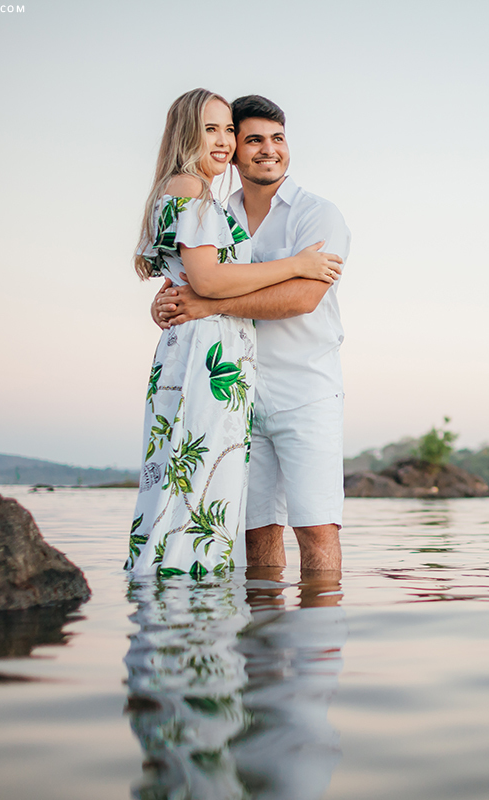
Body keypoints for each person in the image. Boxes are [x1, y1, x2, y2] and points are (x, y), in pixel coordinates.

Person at [127, 89, 343, 578]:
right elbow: (190, 279)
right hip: (230, 384)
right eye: (246, 137)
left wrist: (201, 302)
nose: (267, 148)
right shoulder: (210, 202)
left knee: (315, 526)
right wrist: (176, 300)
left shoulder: (317, 213)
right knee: (244, 522)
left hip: (300, 390)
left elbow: (301, 298)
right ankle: (246, 638)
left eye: (278, 138)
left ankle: (315, 644)